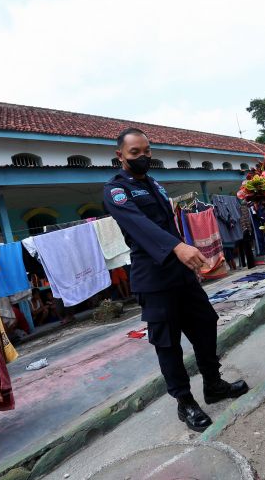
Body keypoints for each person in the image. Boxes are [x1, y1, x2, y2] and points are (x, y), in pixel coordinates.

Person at [103, 127, 249, 432]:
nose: (142, 157)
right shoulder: (116, 190)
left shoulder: (154, 184)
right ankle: (185, 403)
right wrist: (176, 247)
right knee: (168, 345)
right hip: (153, 279)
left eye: (146, 151)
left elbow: (168, 224)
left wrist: (186, 254)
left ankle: (214, 384)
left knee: (206, 324)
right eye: (134, 153)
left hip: (180, 274)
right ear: (120, 156)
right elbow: (138, 224)